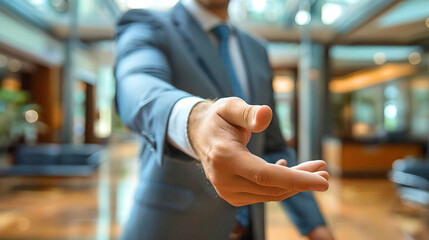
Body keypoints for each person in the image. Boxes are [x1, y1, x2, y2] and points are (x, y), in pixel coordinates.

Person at [115, 0, 334, 239]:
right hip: (170, 229)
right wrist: (194, 120)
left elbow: (273, 145)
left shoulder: (256, 49)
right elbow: (136, 85)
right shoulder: (149, 23)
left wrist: (315, 227)